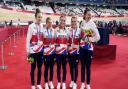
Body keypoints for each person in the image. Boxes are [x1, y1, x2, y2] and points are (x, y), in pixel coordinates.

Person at [80, 8, 100, 89]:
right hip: (82, 48)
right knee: (82, 66)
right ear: (84, 15)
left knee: (88, 67)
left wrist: (89, 39)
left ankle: (88, 84)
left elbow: (98, 37)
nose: (89, 16)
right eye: (88, 14)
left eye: (90, 15)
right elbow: (81, 34)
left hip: (89, 49)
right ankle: (82, 83)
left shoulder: (92, 24)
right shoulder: (82, 23)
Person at [26, 8, 44, 89]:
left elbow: (42, 37)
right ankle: (33, 84)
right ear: (35, 17)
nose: (40, 18)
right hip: (32, 51)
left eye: (41, 17)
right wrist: (27, 51)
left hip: (40, 51)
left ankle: (39, 84)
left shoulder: (42, 25)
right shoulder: (31, 26)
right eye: (38, 17)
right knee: (32, 68)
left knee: (40, 68)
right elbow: (27, 39)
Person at [55, 16, 69, 89]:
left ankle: (63, 82)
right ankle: (59, 82)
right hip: (58, 53)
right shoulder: (55, 30)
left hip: (64, 53)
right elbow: (53, 41)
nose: (63, 22)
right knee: (58, 68)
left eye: (64, 20)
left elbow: (69, 41)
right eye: (62, 20)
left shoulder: (67, 31)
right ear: (59, 21)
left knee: (64, 68)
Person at [68, 16, 81, 89]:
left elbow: (82, 42)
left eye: (74, 21)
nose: (73, 23)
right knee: (70, 67)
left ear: (77, 22)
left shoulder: (80, 30)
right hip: (70, 52)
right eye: (72, 21)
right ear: (71, 22)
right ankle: (72, 80)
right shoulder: (68, 30)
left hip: (76, 52)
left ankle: (75, 82)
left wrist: (76, 46)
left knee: (75, 67)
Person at [43, 17, 55, 89]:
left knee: (51, 68)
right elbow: (41, 41)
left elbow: (56, 40)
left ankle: (51, 82)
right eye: (49, 22)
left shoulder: (54, 31)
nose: (50, 24)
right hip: (46, 52)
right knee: (46, 68)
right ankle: (46, 83)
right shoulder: (43, 31)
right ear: (46, 23)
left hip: (53, 52)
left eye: (51, 22)